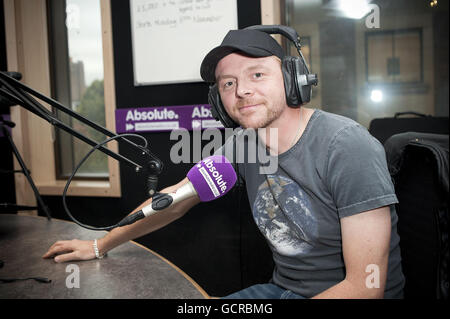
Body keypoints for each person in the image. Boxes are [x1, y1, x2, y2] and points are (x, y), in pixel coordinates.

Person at [43, 26, 405, 299]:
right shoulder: (244, 145)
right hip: (281, 292)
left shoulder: (347, 146)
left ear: (294, 79)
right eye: (228, 83)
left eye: (257, 75)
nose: (242, 91)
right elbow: (175, 201)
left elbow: (365, 286)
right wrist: (99, 245)